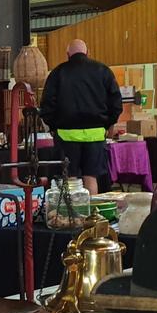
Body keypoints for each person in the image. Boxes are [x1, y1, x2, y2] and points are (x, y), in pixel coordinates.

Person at [40, 39, 122, 196]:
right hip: (95, 134)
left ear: (67, 54)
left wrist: (52, 126)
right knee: (91, 178)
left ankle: (73, 217)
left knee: (70, 179)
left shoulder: (58, 73)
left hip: (66, 135)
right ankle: (92, 217)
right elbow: (116, 102)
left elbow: (47, 103)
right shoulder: (103, 71)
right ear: (87, 52)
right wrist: (109, 123)